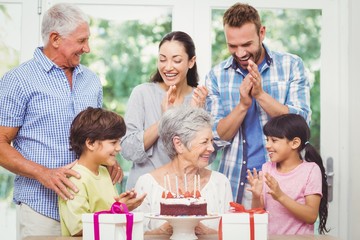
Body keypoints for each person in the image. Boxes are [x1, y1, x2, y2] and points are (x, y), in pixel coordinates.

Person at [0, 3, 123, 239]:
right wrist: (43, 173)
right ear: (55, 38)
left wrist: (108, 159)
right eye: (81, 41)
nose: (87, 48)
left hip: (89, 209)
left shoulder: (91, 80)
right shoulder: (18, 80)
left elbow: (97, 137)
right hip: (42, 209)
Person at [205, 2, 311, 207]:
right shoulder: (217, 76)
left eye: (246, 44)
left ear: (262, 33)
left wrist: (260, 95)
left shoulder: (291, 66)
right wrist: (243, 105)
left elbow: (301, 124)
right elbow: (216, 138)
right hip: (238, 183)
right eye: (232, 46)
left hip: (285, 182)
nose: (240, 53)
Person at [121, 31, 208, 189]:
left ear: (191, 61)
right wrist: (165, 119)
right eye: (162, 59)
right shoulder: (142, 93)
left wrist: (196, 116)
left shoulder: (199, 99)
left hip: (184, 192)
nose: (168, 67)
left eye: (176, 60)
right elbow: (128, 150)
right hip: (143, 192)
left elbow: (207, 155)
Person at [134, 105, 233, 235]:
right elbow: (134, 235)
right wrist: (162, 232)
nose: (212, 148)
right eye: (204, 142)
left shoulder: (220, 183)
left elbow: (232, 233)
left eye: (211, 141)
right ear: (178, 144)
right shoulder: (146, 184)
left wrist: (207, 233)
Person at [59, 107, 146, 236]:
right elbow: (78, 229)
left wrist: (123, 205)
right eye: (113, 142)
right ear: (90, 143)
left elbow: (108, 213)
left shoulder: (104, 172)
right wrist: (119, 208)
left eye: (119, 142)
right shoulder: (75, 179)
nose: (119, 148)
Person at [247, 113, 329, 235]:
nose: (267, 145)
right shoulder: (267, 168)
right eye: (267, 140)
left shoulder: (311, 170)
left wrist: (280, 196)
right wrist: (256, 196)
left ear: (294, 143)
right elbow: (258, 213)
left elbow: (311, 216)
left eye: (274, 140)